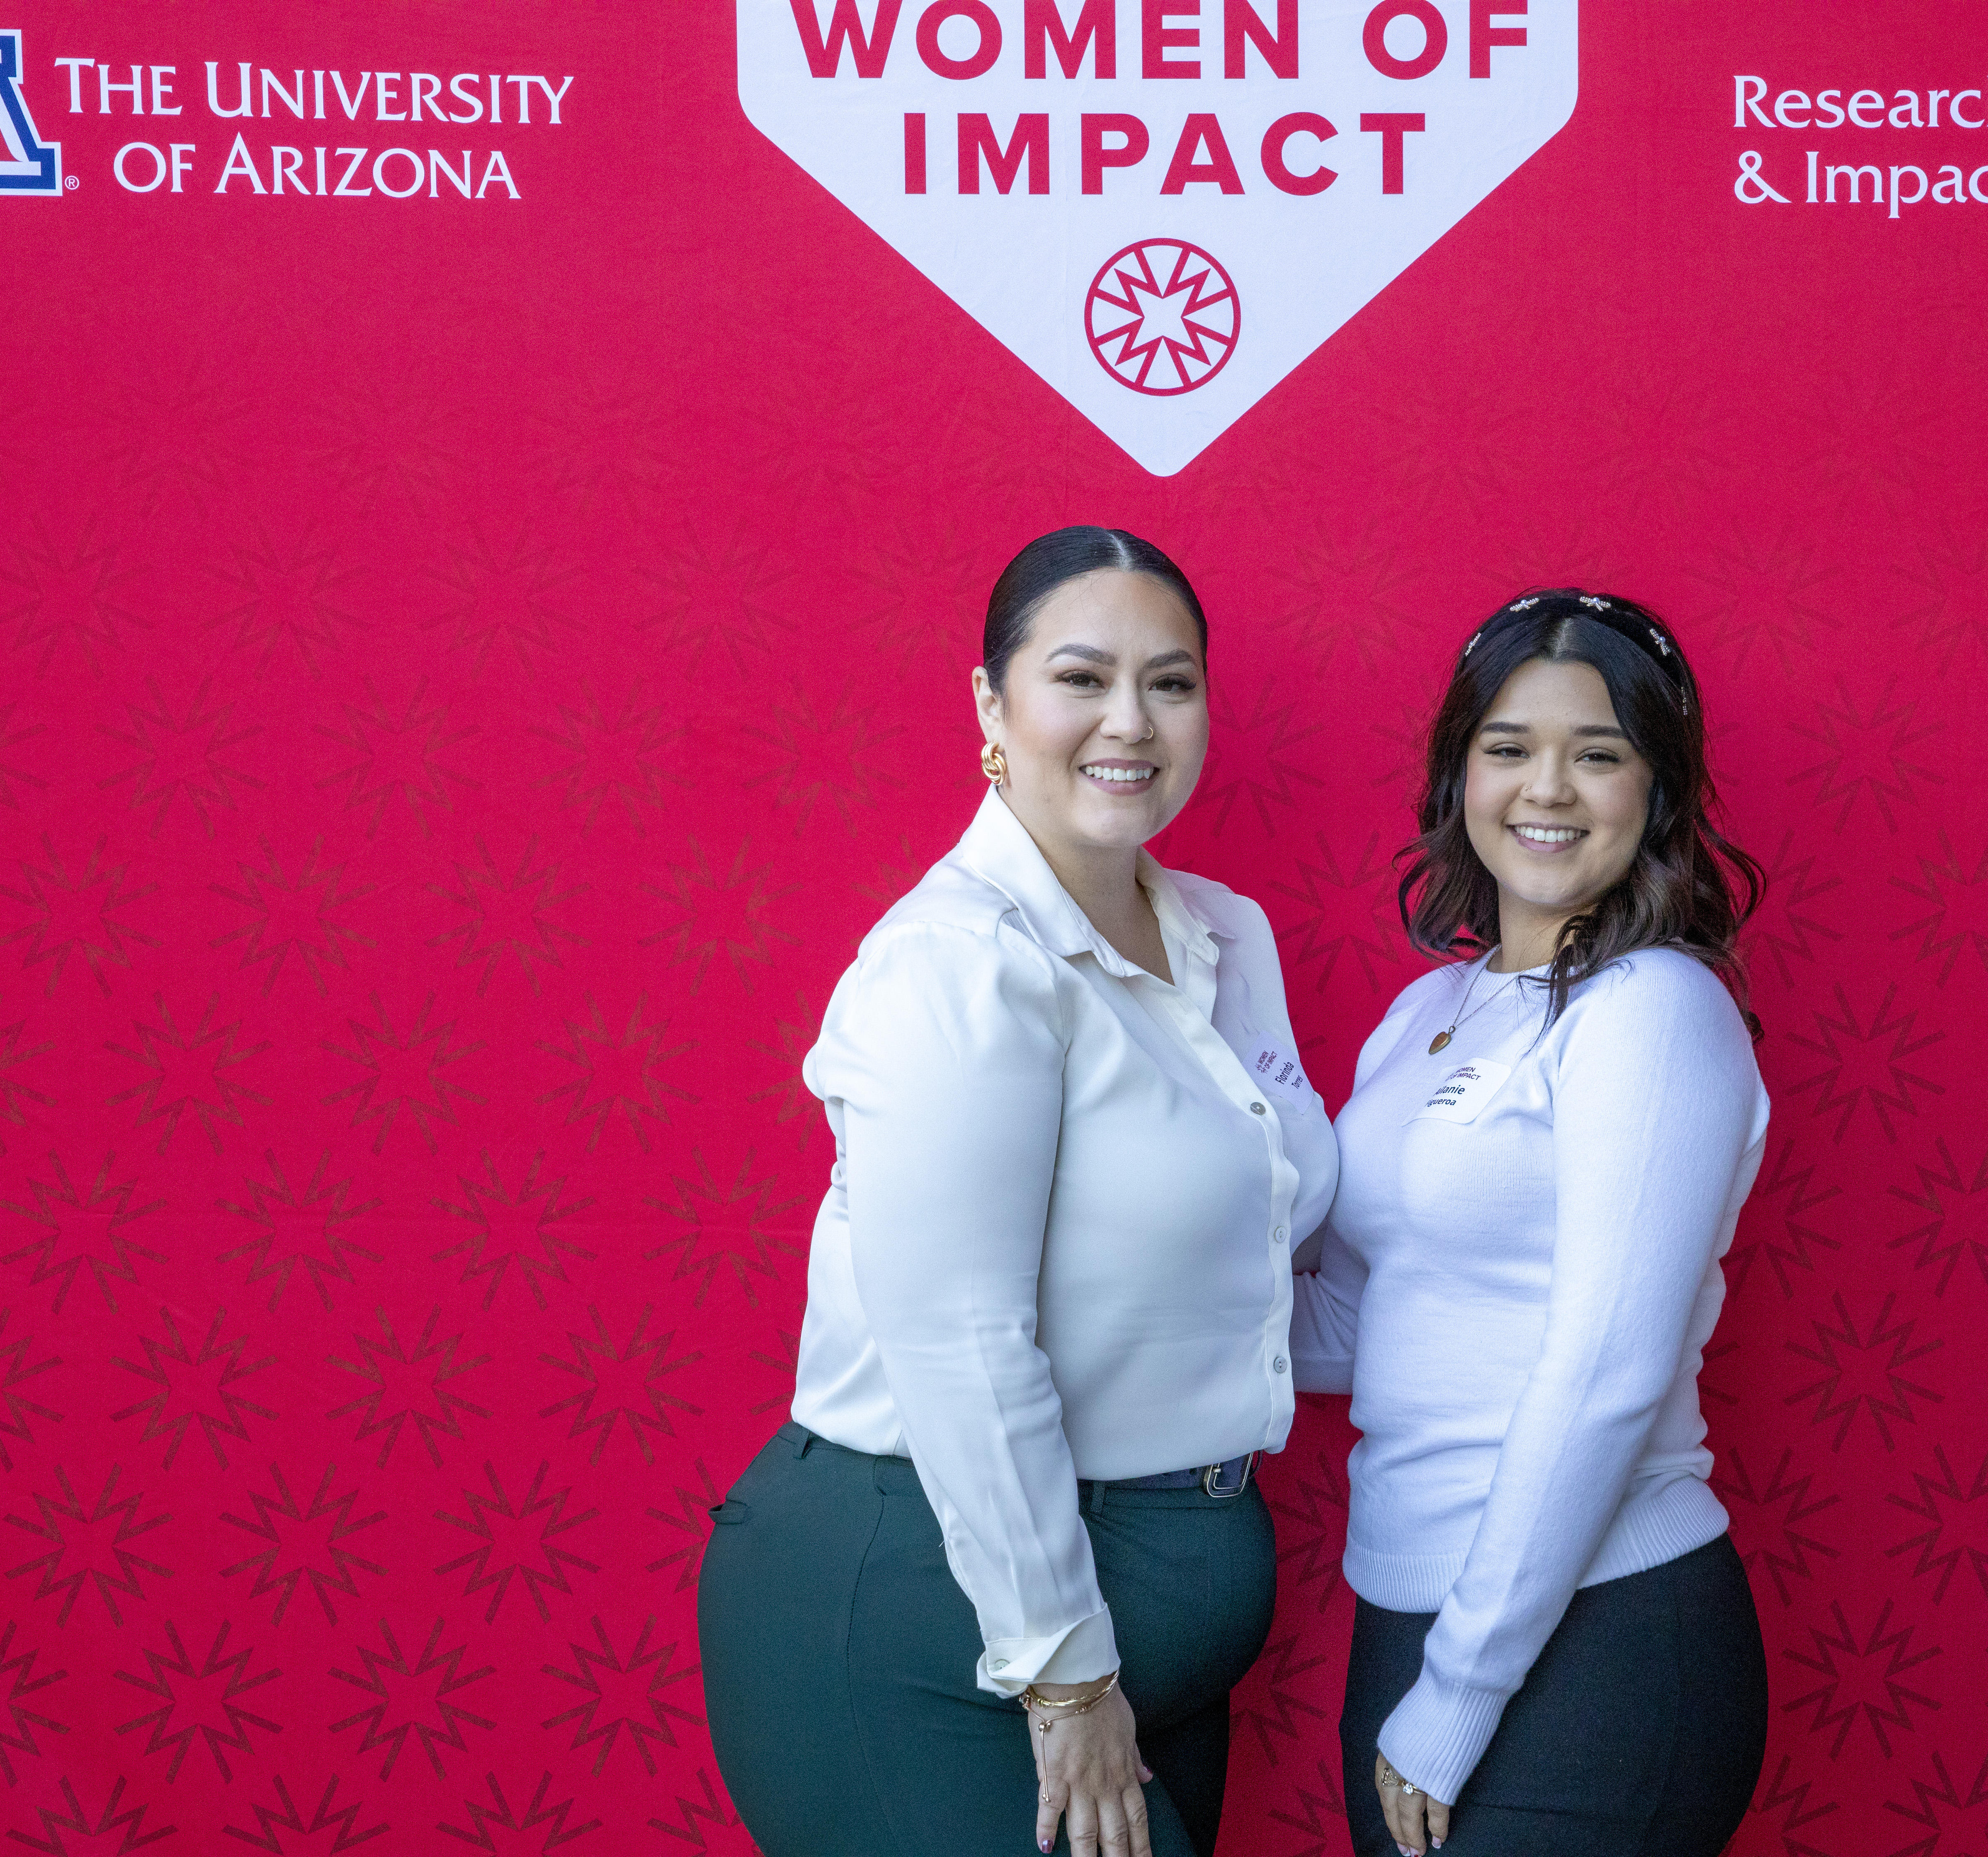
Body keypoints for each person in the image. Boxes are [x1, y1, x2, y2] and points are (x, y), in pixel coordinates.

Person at [698, 527, 1338, 1857]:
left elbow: (1250, 1267)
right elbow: (961, 1340)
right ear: (992, 704)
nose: (1131, 720)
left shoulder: (1228, 935)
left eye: (1171, 682)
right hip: (942, 1613)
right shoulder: (956, 964)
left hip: (1156, 1633)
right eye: (1081, 677)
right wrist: (1065, 1672)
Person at [1293, 589, 1772, 1857]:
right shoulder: (1428, 1015)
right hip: (1415, 1611)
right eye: (1508, 747)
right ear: (1459, 774)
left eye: (1598, 753)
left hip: (1591, 1634)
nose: (1546, 787)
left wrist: (1458, 1695)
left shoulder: (1652, 1009)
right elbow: (1357, 1321)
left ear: (1657, 791)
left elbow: (1610, 1370)